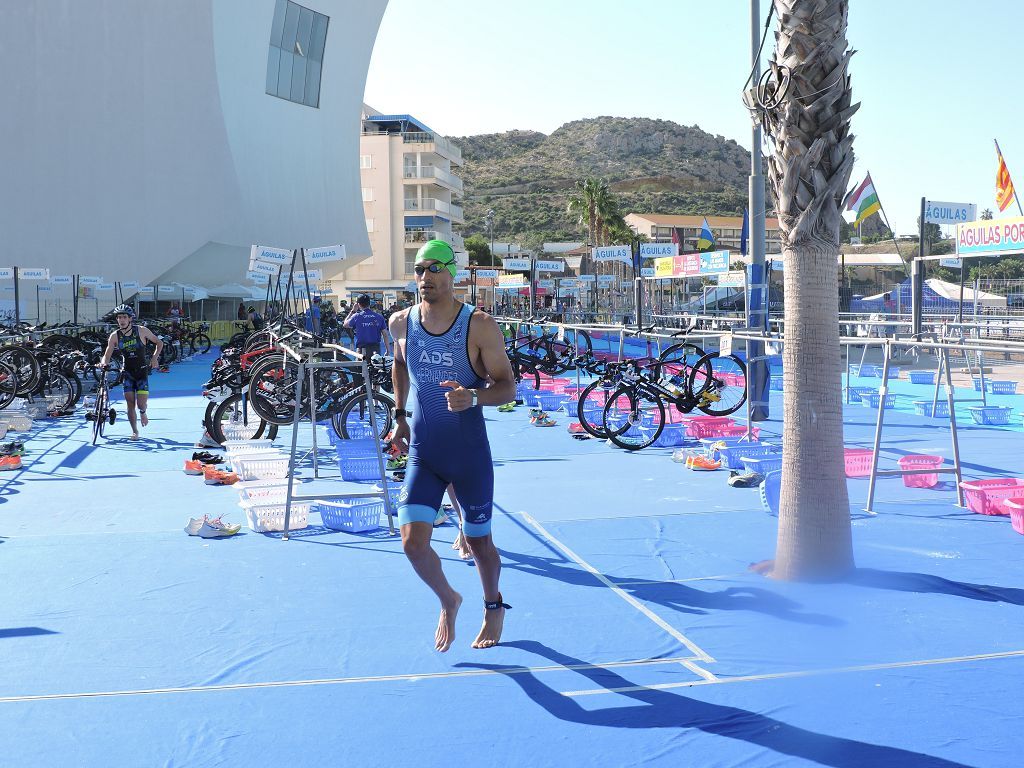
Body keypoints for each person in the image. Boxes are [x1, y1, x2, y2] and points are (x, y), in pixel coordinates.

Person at [389, 239, 516, 652]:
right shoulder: (401, 323)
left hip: (468, 454)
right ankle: (448, 597)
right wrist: (399, 417)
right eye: (420, 270)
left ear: (453, 273)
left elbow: (507, 387)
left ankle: (493, 605)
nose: (426, 277)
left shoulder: (478, 325)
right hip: (425, 452)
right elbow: (399, 364)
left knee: (479, 542)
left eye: (435, 269)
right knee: (412, 542)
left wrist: (473, 397)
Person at [99, 304, 163, 440]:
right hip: (127, 372)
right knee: (130, 403)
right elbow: (107, 353)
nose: (121, 320)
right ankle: (135, 431)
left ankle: (143, 412)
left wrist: (154, 358)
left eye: (124, 317)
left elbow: (159, 343)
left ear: (130, 319)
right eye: (119, 317)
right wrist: (104, 362)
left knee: (140, 404)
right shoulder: (114, 336)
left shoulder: (142, 331)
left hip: (141, 372)